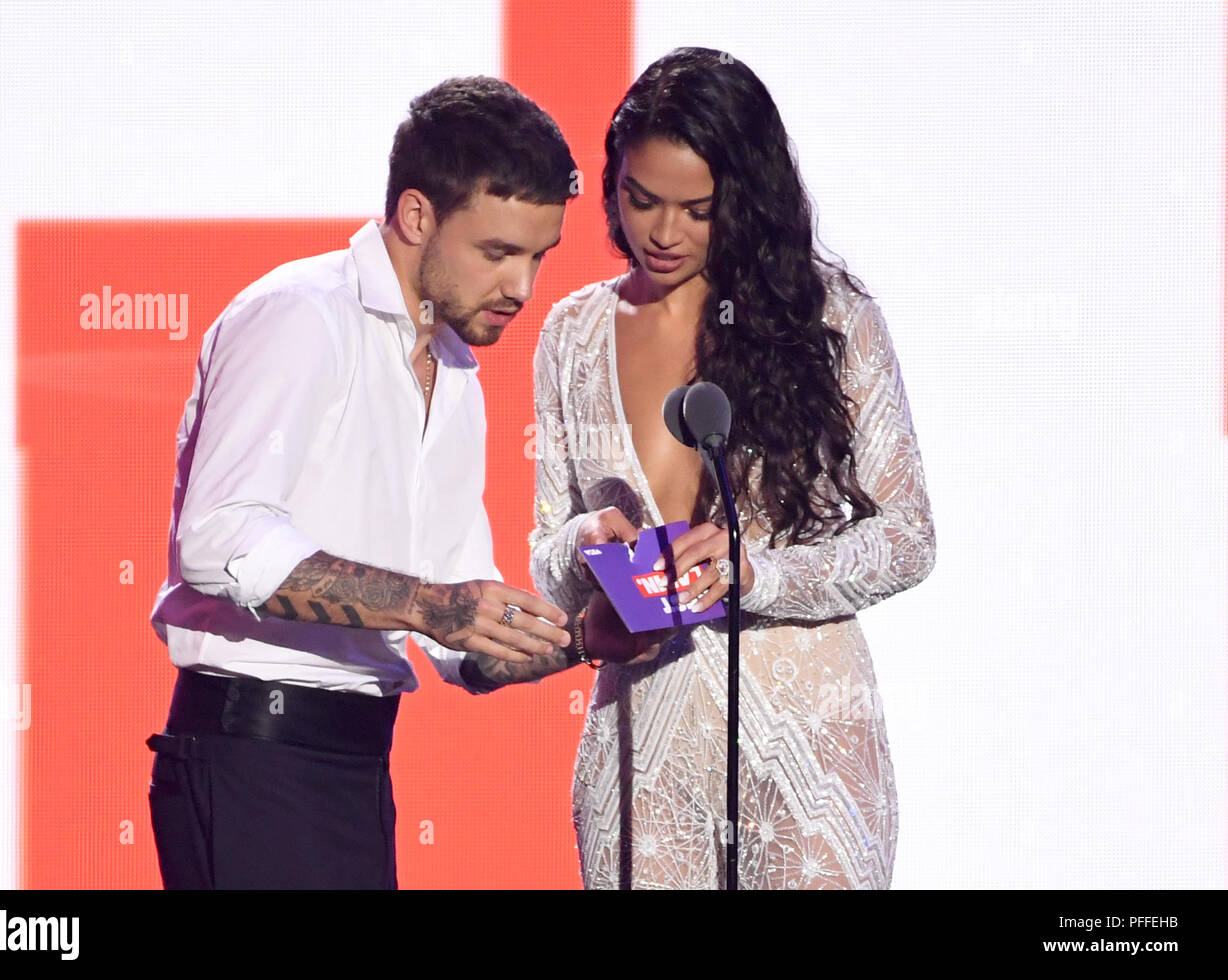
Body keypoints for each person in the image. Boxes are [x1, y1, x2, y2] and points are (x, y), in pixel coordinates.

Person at [465, 48, 937, 889]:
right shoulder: (573, 334)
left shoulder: (831, 319)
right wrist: (582, 544)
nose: (662, 231)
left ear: (746, 199)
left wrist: (759, 573)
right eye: (640, 199)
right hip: (645, 740)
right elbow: (546, 547)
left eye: (697, 208)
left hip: (808, 737)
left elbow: (907, 538)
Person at [145, 76, 579, 890]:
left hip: (355, 768)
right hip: (252, 762)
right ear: (418, 216)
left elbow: (454, 628)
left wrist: (582, 638)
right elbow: (219, 539)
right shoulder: (302, 317)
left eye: (538, 257)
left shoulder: (453, 368)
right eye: (498, 253)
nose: (523, 288)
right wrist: (428, 605)